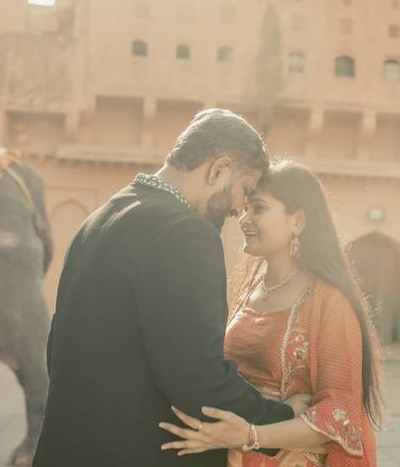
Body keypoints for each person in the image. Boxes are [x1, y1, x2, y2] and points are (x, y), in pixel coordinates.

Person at [34, 109, 298, 467]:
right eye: (245, 190)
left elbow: (57, 347)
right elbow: (198, 381)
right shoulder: (185, 232)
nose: (240, 210)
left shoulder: (100, 218)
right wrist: (283, 422)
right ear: (219, 169)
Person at [159, 160, 382, 467]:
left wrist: (252, 435)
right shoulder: (249, 285)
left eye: (259, 208)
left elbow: (340, 416)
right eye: (246, 207)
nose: (244, 218)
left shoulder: (330, 300)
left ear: (298, 221)